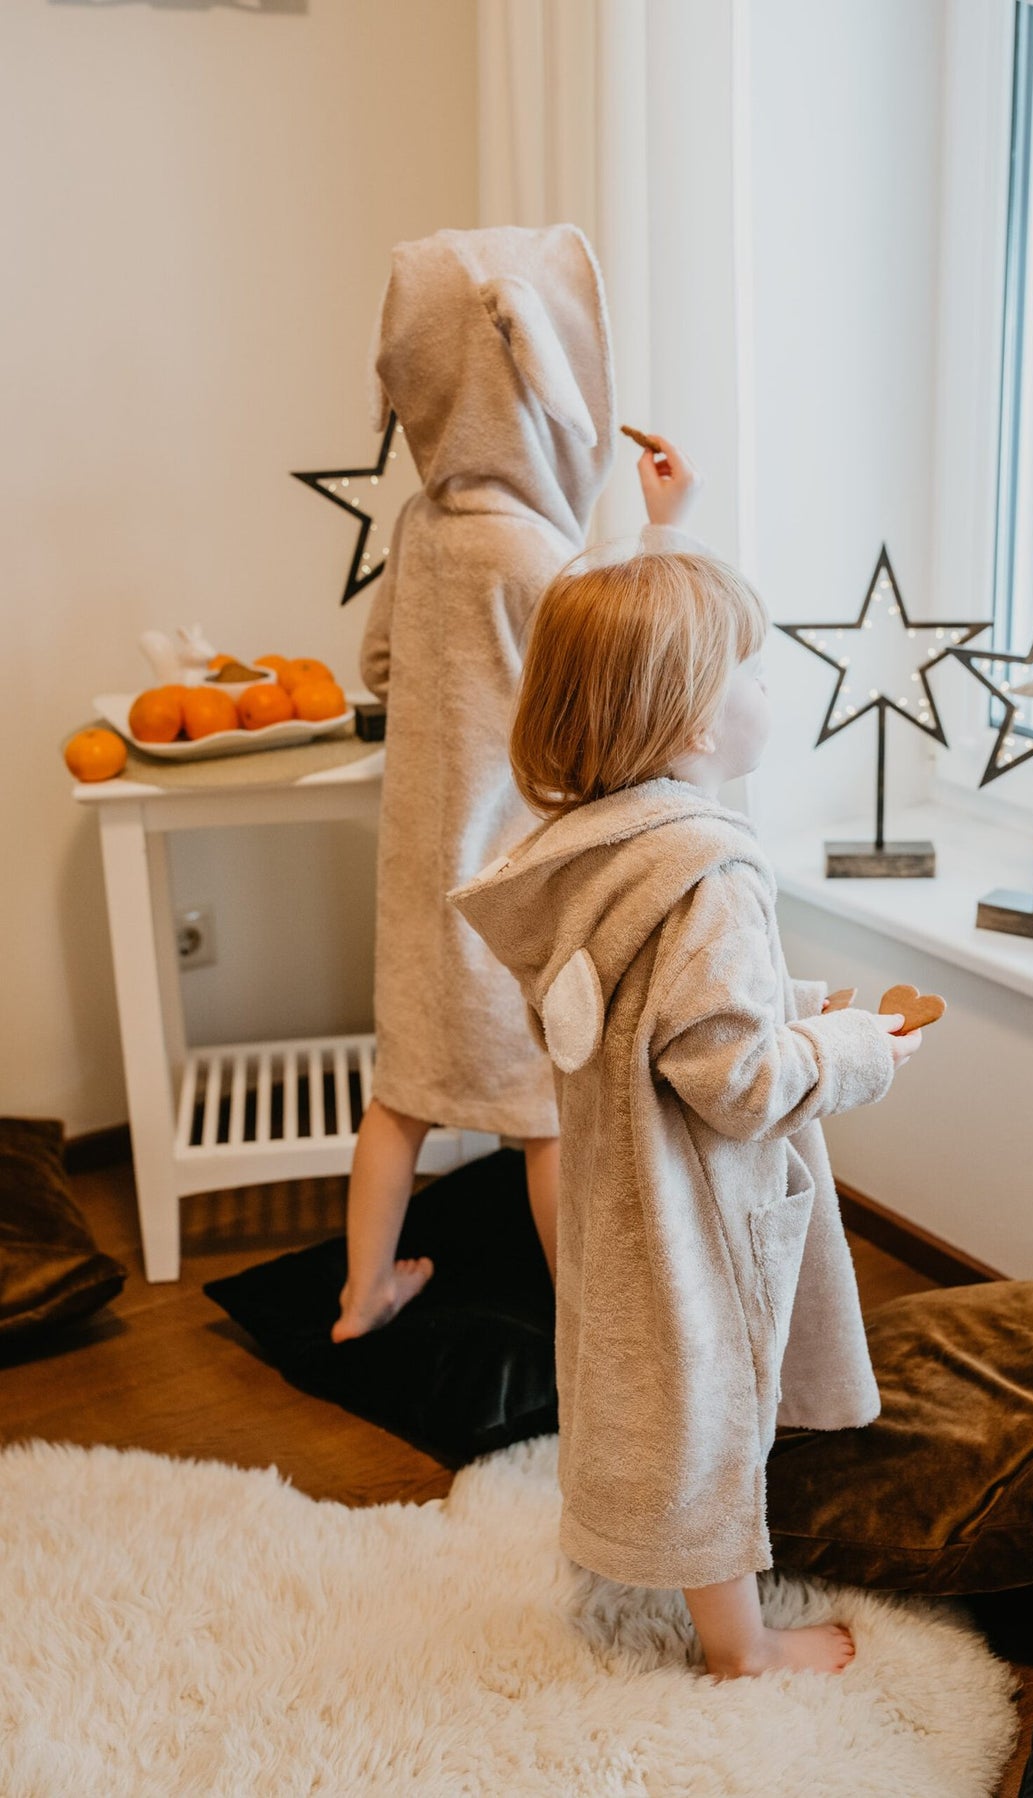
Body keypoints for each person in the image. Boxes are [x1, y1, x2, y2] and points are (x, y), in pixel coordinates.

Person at [452, 464, 922, 1677]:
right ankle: (742, 1645)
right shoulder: (707, 871)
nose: (770, 687)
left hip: (620, 1186)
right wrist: (854, 1050)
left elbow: (664, 1015)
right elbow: (740, 1081)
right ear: (701, 724)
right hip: (695, 1206)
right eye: (754, 671)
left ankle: (644, 1548)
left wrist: (800, 1007)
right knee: (710, 1401)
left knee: (649, 1384)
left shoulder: (592, 846)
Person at [331, 224, 618, 1342]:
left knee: (398, 1101)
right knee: (545, 1116)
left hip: (419, 886)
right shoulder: (543, 559)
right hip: (513, 895)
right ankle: (583, 1324)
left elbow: (379, 667)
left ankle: (363, 1295)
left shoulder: (421, 529)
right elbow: (599, 697)